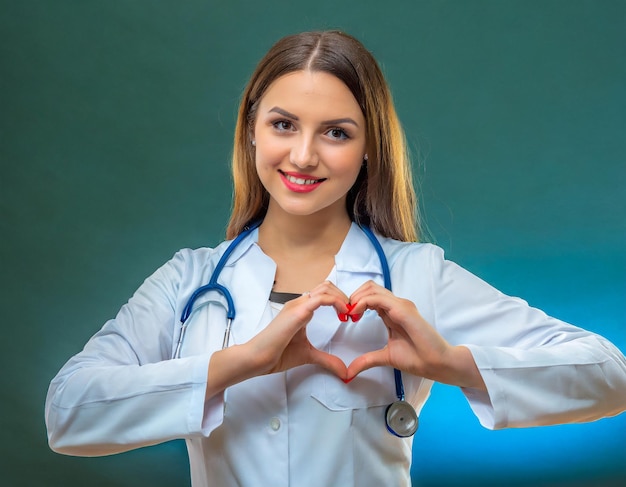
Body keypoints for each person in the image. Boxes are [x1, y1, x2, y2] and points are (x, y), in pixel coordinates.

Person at [45, 30, 626, 487]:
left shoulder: (416, 277)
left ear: (369, 146)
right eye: (283, 125)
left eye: (336, 133)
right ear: (251, 130)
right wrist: (244, 362)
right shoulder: (190, 281)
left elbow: (610, 377)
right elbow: (69, 414)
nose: (303, 155)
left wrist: (450, 363)